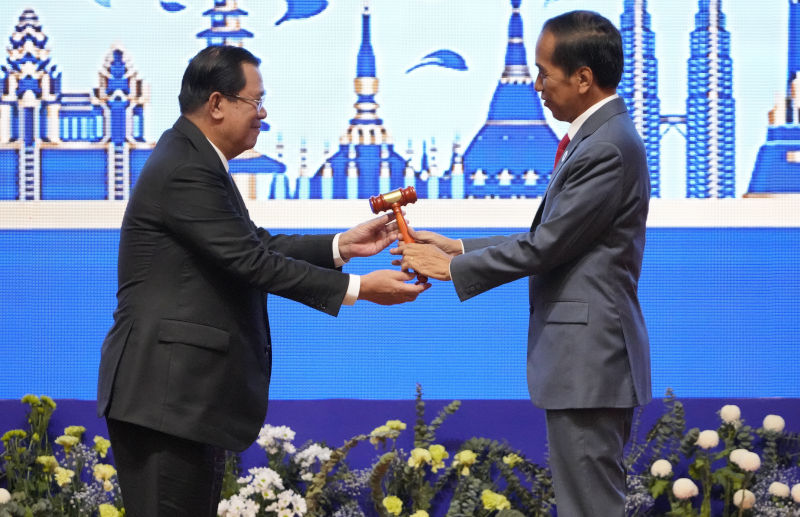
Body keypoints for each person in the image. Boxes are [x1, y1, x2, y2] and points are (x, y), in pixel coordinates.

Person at [97, 45, 429, 517]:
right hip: (165, 400)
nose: (263, 113)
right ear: (217, 104)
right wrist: (358, 289)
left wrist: (342, 246)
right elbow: (252, 262)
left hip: (180, 401)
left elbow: (252, 245)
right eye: (255, 102)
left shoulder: (194, 159)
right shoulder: (186, 168)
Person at [393, 10, 651, 517]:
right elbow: (551, 237)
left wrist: (452, 271)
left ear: (583, 78)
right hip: (585, 364)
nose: (535, 85)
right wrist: (459, 248)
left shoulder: (608, 146)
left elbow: (545, 247)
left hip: (590, 364)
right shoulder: (598, 138)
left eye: (544, 73)